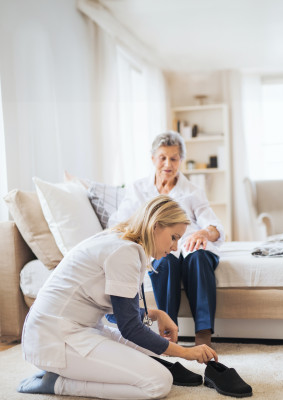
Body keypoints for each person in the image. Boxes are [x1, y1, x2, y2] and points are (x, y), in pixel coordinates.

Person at [18, 195, 218, 400]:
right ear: (156, 226)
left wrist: (156, 315)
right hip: (55, 338)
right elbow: (129, 327)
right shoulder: (125, 252)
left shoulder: (123, 242)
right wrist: (186, 352)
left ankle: (66, 371)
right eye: (174, 237)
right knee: (158, 383)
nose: (176, 247)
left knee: (154, 349)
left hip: (79, 330)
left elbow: (116, 314)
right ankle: (58, 383)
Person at [108, 131, 224, 347]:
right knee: (165, 262)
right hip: (159, 247)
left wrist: (204, 233)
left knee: (198, 258)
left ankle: (203, 335)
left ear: (181, 160)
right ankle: (169, 333)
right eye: (162, 158)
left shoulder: (192, 190)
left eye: (174, 158)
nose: (167, 164)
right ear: (153, 159)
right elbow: (119, 222)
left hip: (190, 245)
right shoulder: (138, 189)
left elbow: (215, 226)